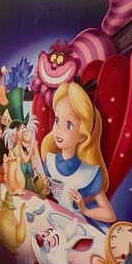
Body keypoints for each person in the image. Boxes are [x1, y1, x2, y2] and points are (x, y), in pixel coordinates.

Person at [40, 82, 116, 224]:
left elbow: (109, 215)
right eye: (57, 120)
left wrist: (84, 209)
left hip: (77, 226)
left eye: (69, 125)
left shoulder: (88, 173)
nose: (59, 129)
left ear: (82, 135)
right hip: (53, 220)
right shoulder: (50, 162)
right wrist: (43, 185)